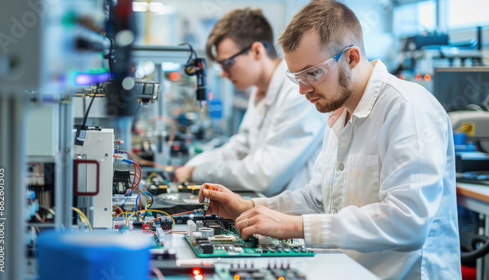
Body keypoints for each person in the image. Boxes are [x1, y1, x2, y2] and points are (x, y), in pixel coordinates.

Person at [198, 1, 461, 279]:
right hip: (347, 271)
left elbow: (408, 223)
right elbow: (319, 198)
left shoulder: (407, 108)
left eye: (312, 73)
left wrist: (295, 226)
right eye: (296, 76)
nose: (302, 89)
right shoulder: (339, 112)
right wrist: (252, 207)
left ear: (352, 58)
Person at [175, 8, 327, 197]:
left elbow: (266, 175)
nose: (222, 73)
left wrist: (199, 173)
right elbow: (242, 146)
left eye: (227, 63)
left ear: (256, 51)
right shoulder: (259, 91)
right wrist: (194, 165)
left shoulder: (297, 91)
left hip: (296, 214)